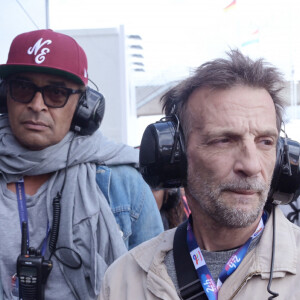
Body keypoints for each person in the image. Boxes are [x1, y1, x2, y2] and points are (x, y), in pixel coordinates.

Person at [99, 49, 300, 299]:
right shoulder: (123, 279)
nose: (251, 165)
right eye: (224, 140)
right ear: (176, 157)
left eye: (266, 142)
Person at [0, 29, 163, 300]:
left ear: (84, 106)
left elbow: (157, 287)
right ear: (5, 94)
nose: (37, 105)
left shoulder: (124, 185)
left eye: (56, 93)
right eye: (24, 88)